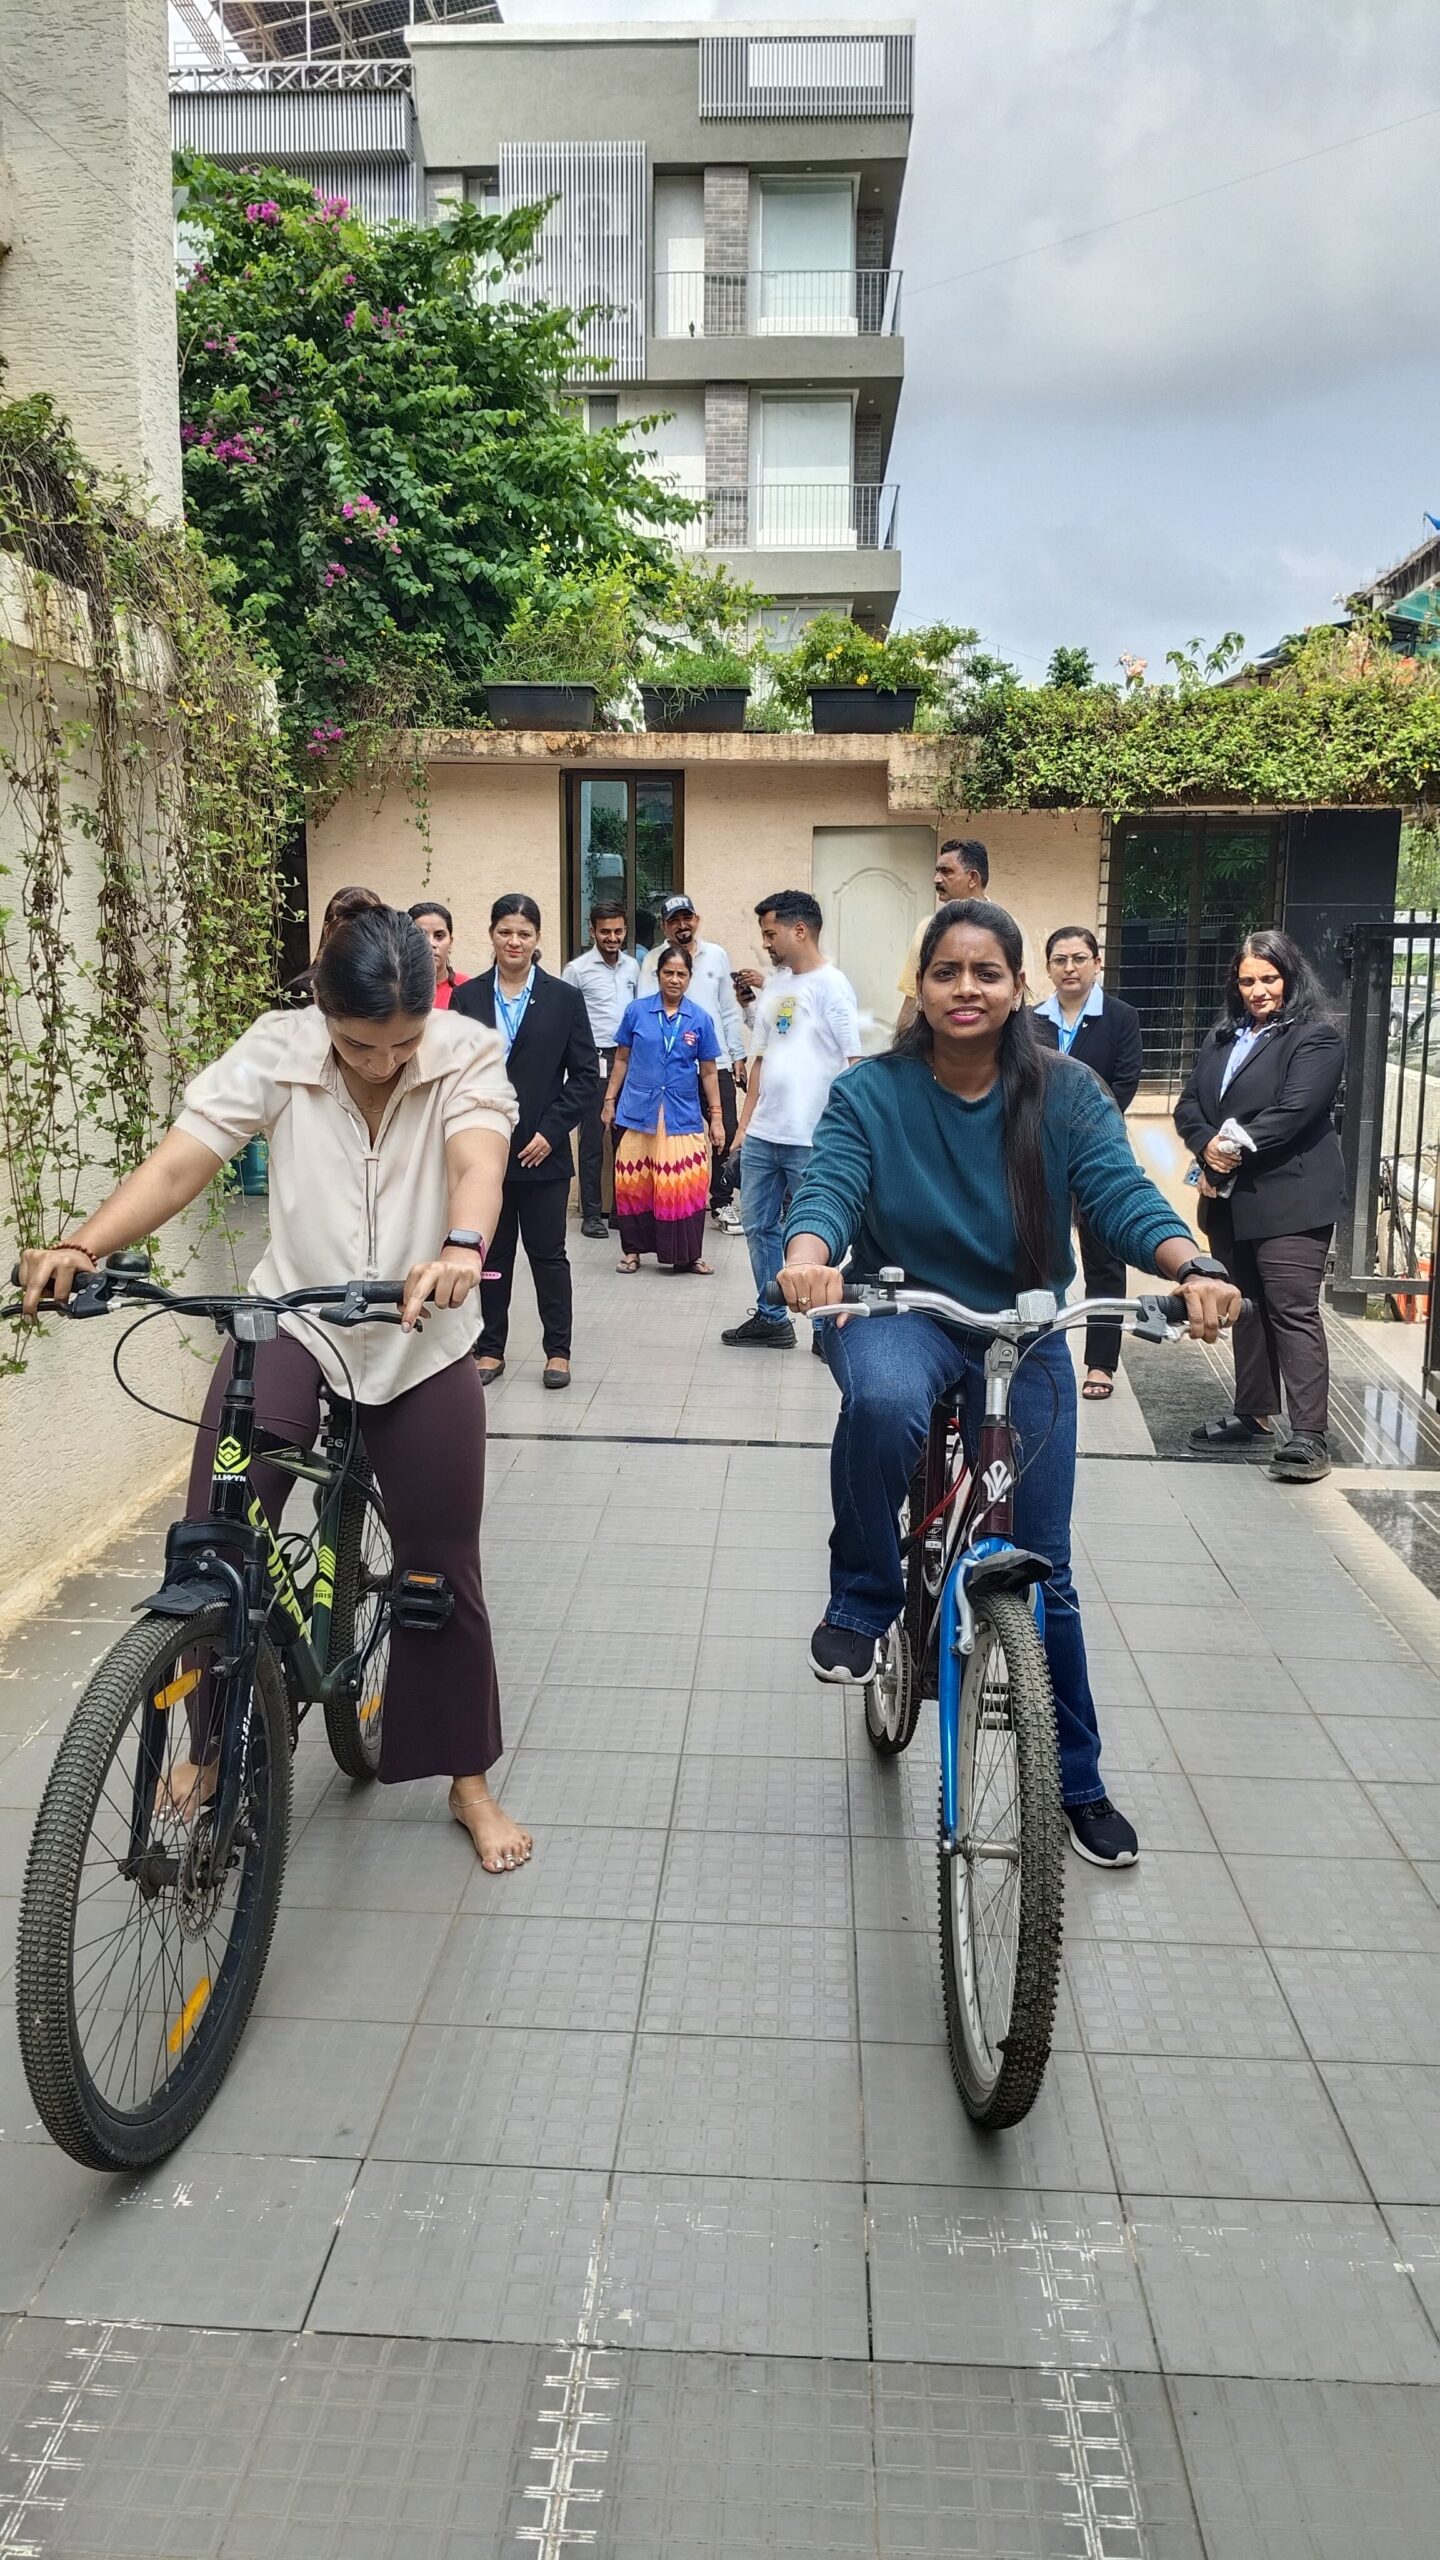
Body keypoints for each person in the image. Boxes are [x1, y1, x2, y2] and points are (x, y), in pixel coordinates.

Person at [17, 907, 533, 1873]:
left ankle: (467, 1779)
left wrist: (462, 1246)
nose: (382, 1064)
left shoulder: (464, 1051)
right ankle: (211, 1750)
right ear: (322, 1011)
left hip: (421, 1338)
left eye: (402, 1044)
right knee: (214, 1539)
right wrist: (84, 1244)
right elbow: (183, 1160)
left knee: (438, 1564)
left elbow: (479, 1159)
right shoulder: (278, 1048)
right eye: (359, 1045)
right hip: (292, 1319)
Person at [777, 897, 1240, 1869]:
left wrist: (1191, 1263)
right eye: (946, 971)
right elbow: (831, 1184)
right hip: (903, 1310)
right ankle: (863, 1599)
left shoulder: (1066, 1092)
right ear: (920, 986)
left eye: (987, 972)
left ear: (1018, 987)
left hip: (1024, 1332)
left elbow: (1118, 1192)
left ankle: (1077, 1782)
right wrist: (810, 1256)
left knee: (1048, 1569)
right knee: (884, 1402)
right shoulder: (872, 1092)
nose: (967, 988)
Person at [1174, 928, 1345, 1484]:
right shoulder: (1224, 1036)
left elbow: (1295, 1111)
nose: (1258, 990)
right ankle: (1253, 1414)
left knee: (1291, 1311)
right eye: (1247, 981)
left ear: (1290, 977)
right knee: (1244, 1307)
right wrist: (1205, 1144)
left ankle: (1309, 1435)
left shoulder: (1315, 1038)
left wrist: (1227, 1147)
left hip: (1291, 1199)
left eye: (1269, 978)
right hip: (1231, 1200)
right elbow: (1188, 1104)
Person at [452, 895, 598, 1392]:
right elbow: (455, 1075)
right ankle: (490, 1347)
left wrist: (551, 1133)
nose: (514, 942)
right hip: (484, 1155)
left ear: (537, 939)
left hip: (543, 1154)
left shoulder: (564, 998)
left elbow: (584, 1076)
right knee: (491, 1257)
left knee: (548, 1255)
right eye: (505, 932)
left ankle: (558, 1350)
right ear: (492, 934)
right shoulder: (468, 998)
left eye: (524, 933)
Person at [722, 890, 861, 1350]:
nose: (765, 943)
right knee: (759, 1228)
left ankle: (824, 1327)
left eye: (770, 933)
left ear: (799, 930)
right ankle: (772, 1317)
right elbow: (761, 1059)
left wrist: (851, 1132)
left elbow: (854, 1063)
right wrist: (743, 1130)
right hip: (765, 1135)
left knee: (818, 1231)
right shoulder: (778, 986)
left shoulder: (833, 986)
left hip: (812, 1139)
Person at [1032, 925, 1145, 1401]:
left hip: (1096, 1150)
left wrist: (1082, 1132)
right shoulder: (1031, 1021)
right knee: (1035, 1252)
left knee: (1103, 1258)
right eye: (1060, 960)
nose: (1070, 968)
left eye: (1079, 958)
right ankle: (1033, 1345)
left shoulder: (1120, 1017)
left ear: (1097, 963)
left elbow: (1125, 1083)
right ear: (1048, 968)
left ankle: (1101, 1361)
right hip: (1038, 1150)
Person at [603, 942, 725, 1274]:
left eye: (681, 974)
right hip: (637, 1112)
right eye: (668, 973)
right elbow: (622, 1059)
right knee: (635, 1183)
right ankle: (632, 1252)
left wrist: (716, 1118)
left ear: (689, 977)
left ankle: (688, 1255)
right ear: (658, 975)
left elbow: (709, 1071)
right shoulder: (637, 1011)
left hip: (680, 1114)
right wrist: (609, 1101)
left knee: (685, 1183)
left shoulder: (700, 1019)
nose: (674, 980)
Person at [639, 896, 747, 1215]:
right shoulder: (653, 960)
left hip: (716, 1061)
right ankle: (675, 1197)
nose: (682, 925)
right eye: (674, 920)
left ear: (696, 920)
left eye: (687, 918)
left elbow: (728, 1009)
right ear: (664, 926)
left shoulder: (717, 955)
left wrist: (738, 1055)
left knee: (725, 1131)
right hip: (673, 1065)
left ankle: (722, 1201)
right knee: (673, 1133)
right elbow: (646, 1012)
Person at [562, 900, 640, 1239]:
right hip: (593, 1060)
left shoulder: (633, 966)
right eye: (605, 931)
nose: (612, 937)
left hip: (629, 1058)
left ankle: (622, 1210)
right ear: (592, 931)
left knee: (626, 1139)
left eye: (618, 931)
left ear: (625, 930)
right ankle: (592, 1212)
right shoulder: (577, 970)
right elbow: (565, 1019)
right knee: (592, 1139)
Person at [896, 839, 990, 1033]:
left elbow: (1021, 1002)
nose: (937, 879)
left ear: (973, 878)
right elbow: (913, 998)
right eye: (937, 871)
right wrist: (901, 1045)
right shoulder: (927, 929)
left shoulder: (1009, 930)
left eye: (946, 872)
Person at [284, 883, 382, 1002]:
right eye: (346, 930)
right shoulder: (303, 990)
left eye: (367, 930)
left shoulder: (386, 986)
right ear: (328, 929)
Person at [408, 900, 470, 1010]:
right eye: (421, 935)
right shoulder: (395, 990)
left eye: (439, 936)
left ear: (450, 943)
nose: (431, 943)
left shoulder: (468, 988)